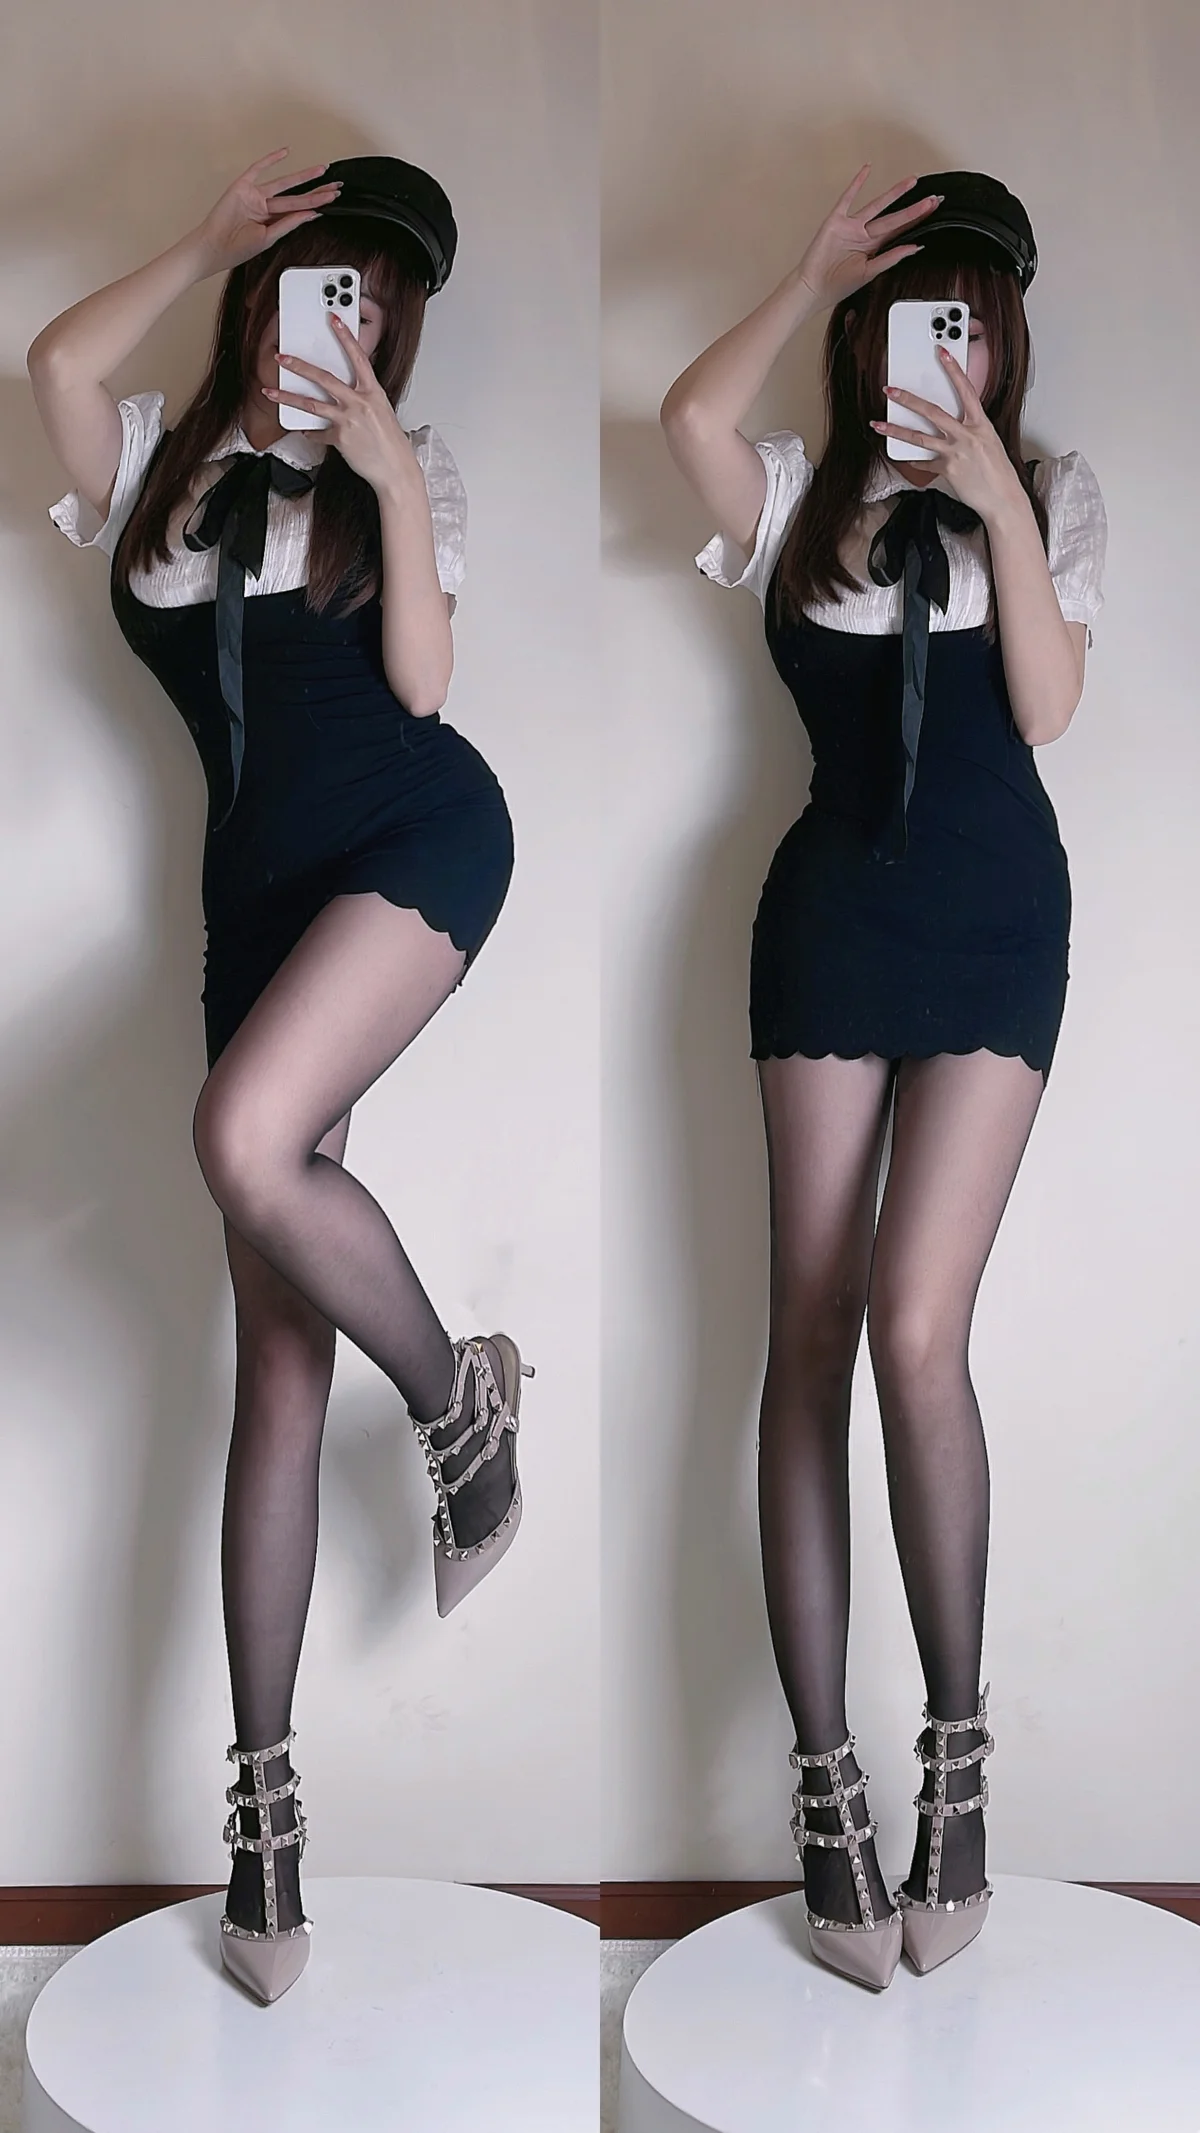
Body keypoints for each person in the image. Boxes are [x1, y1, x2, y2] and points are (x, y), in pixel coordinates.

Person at [28, 149, 534, 2005]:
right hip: (251, 910)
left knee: (241, 1139)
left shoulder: (407, 473)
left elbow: (423, 684)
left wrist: (384, 467)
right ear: (269, 290)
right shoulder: (157, 465)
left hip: (410, 841)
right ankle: (264, 1831)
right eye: (324, 282)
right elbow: (55, 369)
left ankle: (460, 1407)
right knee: (273, 1369)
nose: (345, 319)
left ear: (394, 338)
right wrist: (204, 237)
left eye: (375, 304)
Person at [661, 166, 1106, 1987]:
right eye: (923, 314)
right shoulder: (799, 494)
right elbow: (689, 420)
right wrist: (808, 265)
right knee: (808, 1332)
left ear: (1006, 338)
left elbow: (1051, 708)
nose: (954, 346)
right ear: (872, 332)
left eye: (975, 320)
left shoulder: (1053, 491)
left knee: (921, 1331)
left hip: (994, 920)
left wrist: (993, 497)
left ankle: (957, 1764)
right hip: (830, 919)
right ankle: (824, 1784)